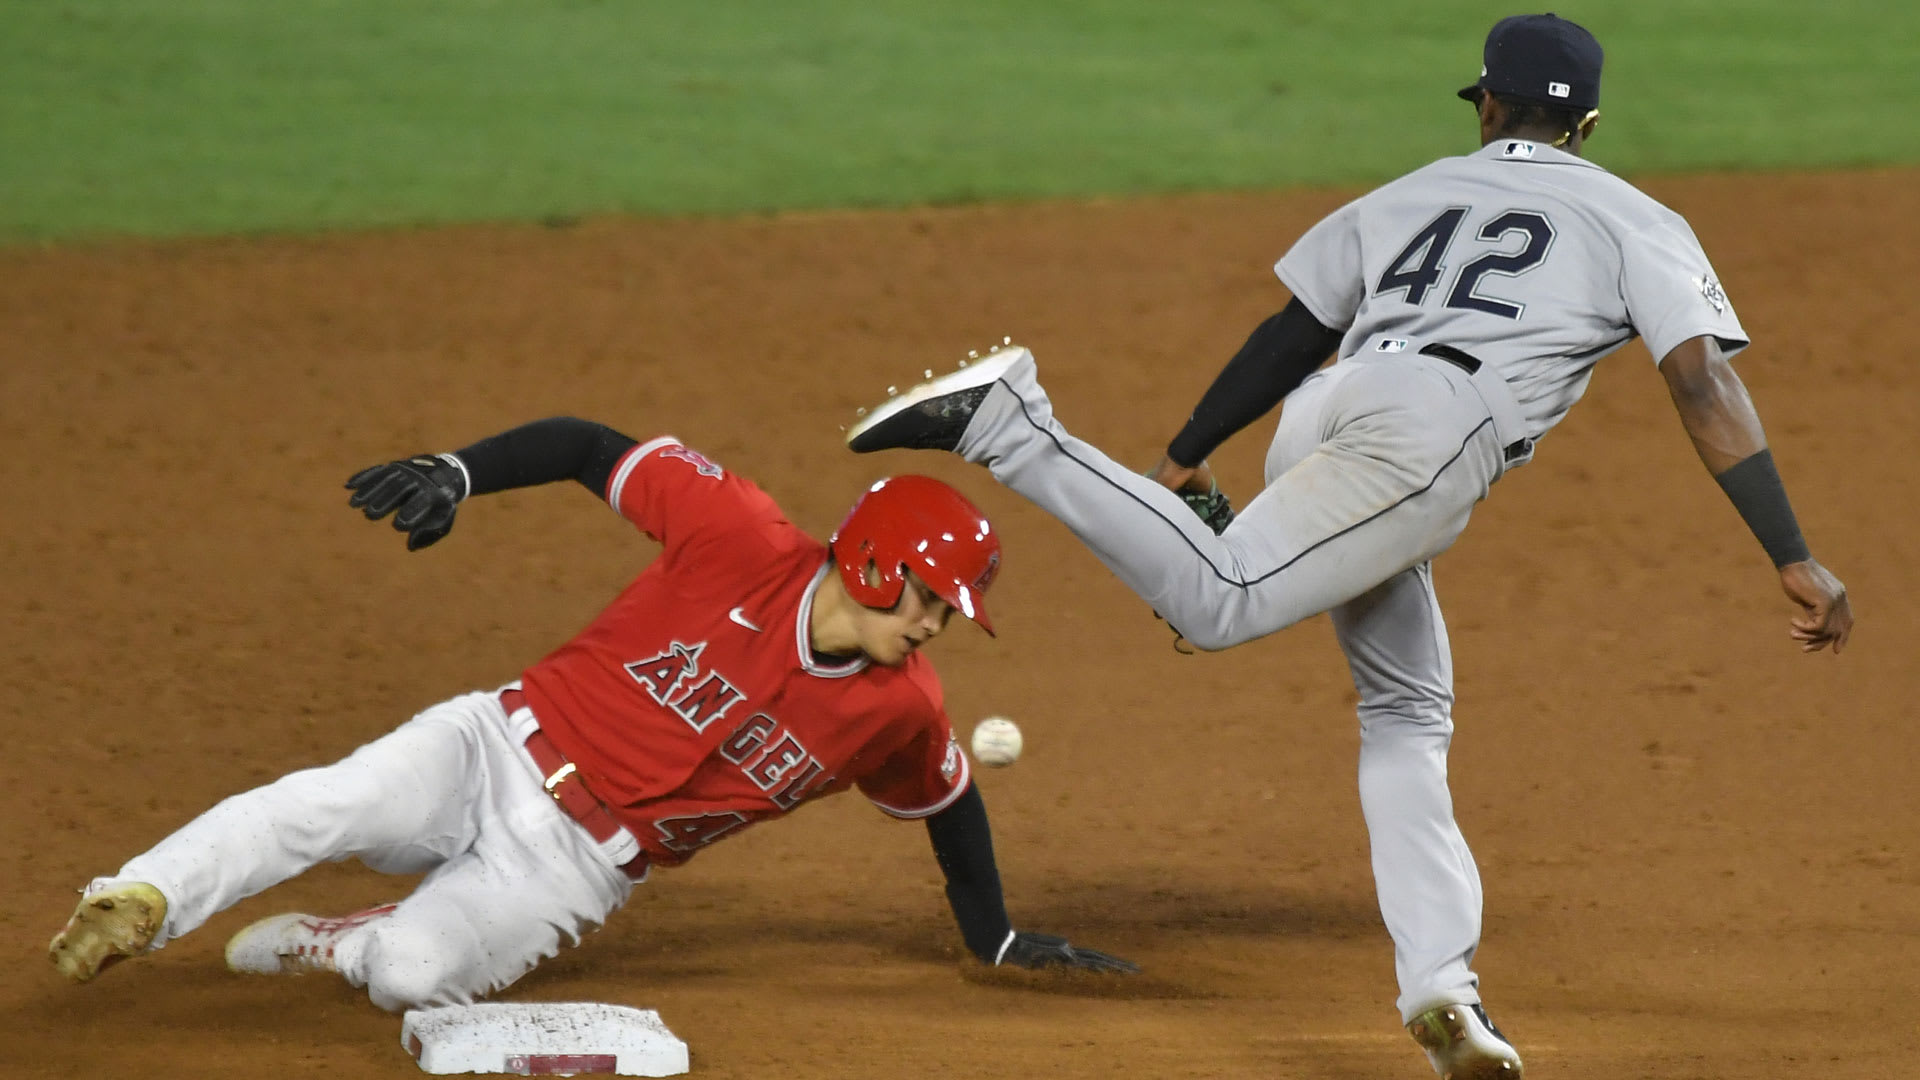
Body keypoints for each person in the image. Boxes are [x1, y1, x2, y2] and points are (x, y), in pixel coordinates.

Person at [843, 13, 1852, 1079]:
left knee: (1407, 709)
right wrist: (1791, 551)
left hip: (1330, 407)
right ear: (1588, 125)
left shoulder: (1411, 192)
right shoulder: (1637, 216)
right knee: (1217, 602)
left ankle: (1442, 996)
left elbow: (1296, 331)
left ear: (1489, 106)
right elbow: (1701, 378)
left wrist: (1189, 451)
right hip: (1432, 432)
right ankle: (1010, 424)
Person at [49, 418, 1136, 1013]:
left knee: (410, 978)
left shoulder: (899, 709)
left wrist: (990, 937)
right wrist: (456, 473)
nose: (943, 624)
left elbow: (948, 799)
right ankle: (138, 896)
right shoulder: (737, 534)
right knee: (316, 807)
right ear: (874, 562)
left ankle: (343, 943)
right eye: (935, 599)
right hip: (490, 749)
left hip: (576, 871)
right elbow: (581, 445)